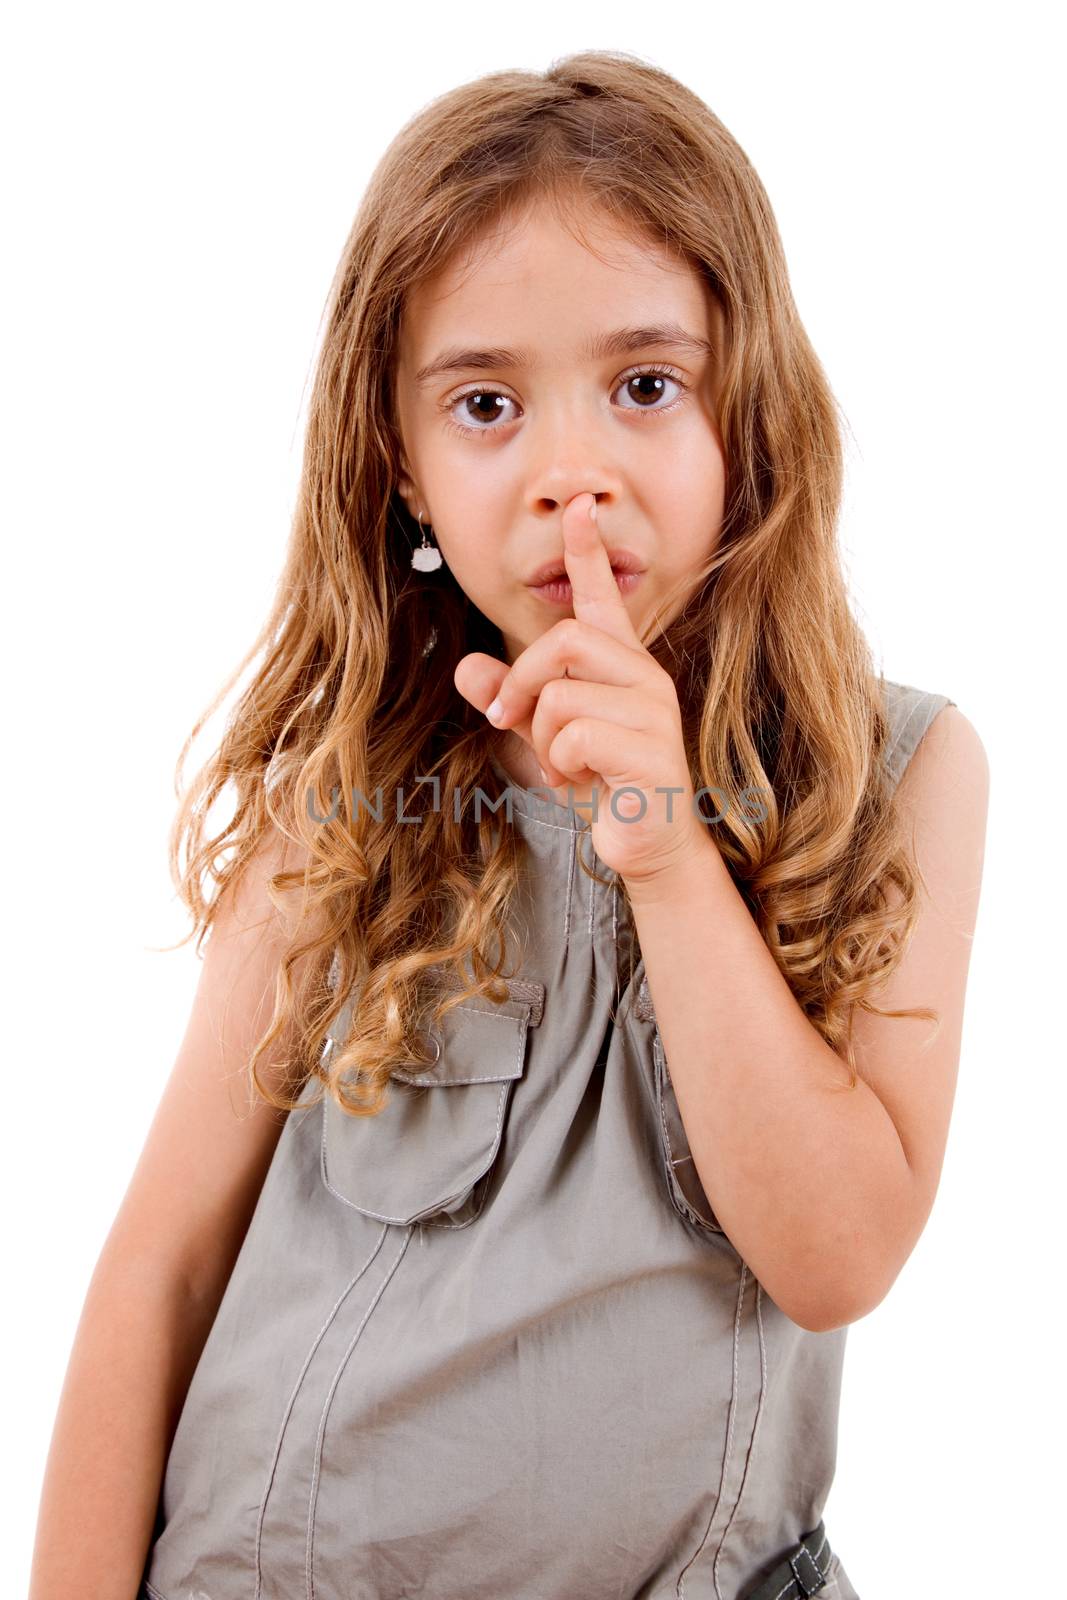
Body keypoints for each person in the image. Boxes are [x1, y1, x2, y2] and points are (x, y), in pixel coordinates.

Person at [29, 49, 989, 1600]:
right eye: (487, 405)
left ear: (751, 409)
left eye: (645, 386)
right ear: (402, 468)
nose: (572, 479)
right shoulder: (343, 792)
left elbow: (839, 1254)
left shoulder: (896, 773)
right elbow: (163, 1267)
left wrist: (666, 850)